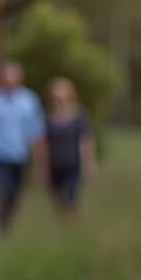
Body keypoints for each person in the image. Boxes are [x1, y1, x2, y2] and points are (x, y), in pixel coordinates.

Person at [0, 61, 45, 233]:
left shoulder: (29, 100)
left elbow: (37, 132)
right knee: (4, 191)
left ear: (19, 79)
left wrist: (39, 162)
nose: (8, 80)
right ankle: (3, 226)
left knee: (15, 193)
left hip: (20, 154)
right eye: (5, 77)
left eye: (12, 77)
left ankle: (10, 219)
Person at [43, 77, 96, 215]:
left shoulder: (79, 115)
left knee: (71, 196)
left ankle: (71, 224)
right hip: (54, 164)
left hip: (73, 164)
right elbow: (43, 144)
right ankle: (61, 225)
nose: (59, 100)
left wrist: (88, 163)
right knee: (57, 199)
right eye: (56, 97)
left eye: (62, 96)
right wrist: (42, 166)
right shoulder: (47, 117)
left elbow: (85, 141)